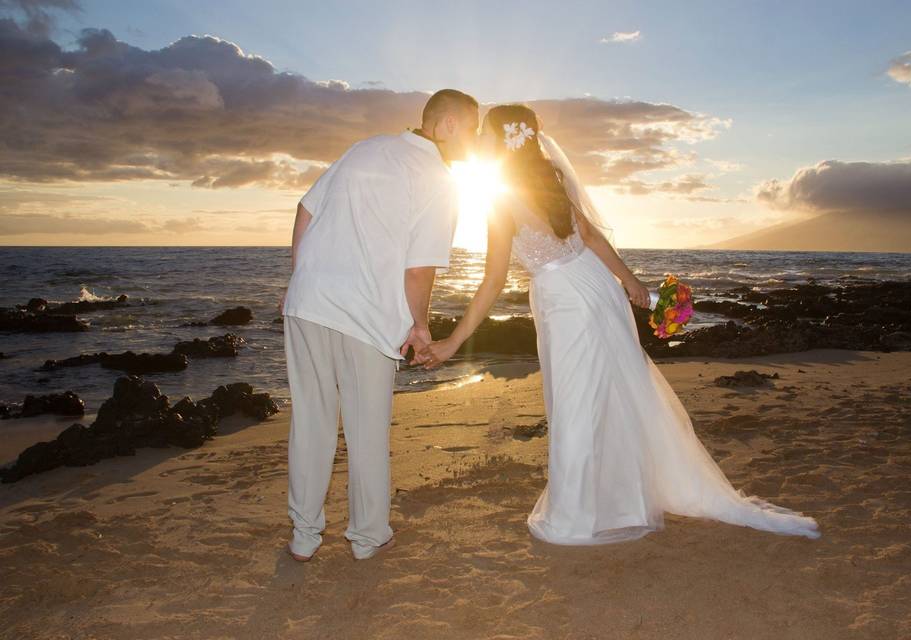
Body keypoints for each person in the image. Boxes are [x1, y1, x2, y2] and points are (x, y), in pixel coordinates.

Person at [416, 104, 820, 545]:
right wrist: (628, 281)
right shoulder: (550, 180)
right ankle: (620, 498)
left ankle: (575, 516)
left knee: (575, 403)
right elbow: (588, 238)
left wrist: (455, 341)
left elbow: (494, 280)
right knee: (613, 392)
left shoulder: (501, 199)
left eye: (487, 134)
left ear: (501, 142)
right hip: (593, 284)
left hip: (564, 298)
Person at [279, 89, 479, 560]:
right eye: (472, 129)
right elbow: (418, 270)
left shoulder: (365, 147)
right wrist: (421, 328)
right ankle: (367, 537)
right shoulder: (438, 178)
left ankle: (304, 536)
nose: (474, 141)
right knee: (366, 428)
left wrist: (301, 276)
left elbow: (305, 210)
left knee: (311, 422)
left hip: (309, 302)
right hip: (365, 314)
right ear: (447, 124)